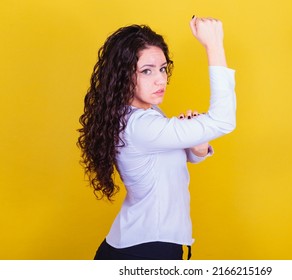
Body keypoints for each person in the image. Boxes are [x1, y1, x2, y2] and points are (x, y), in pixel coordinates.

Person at [77, 16, 236, 260]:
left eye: (162, 68)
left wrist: (198, 145)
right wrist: (214, 46)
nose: (160, 79)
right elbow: (223, 121)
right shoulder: (141, 125)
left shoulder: (144, 112)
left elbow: (179, 159)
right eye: (146, 71)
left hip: (141, 243)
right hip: (148, 249)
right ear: (122, 76)